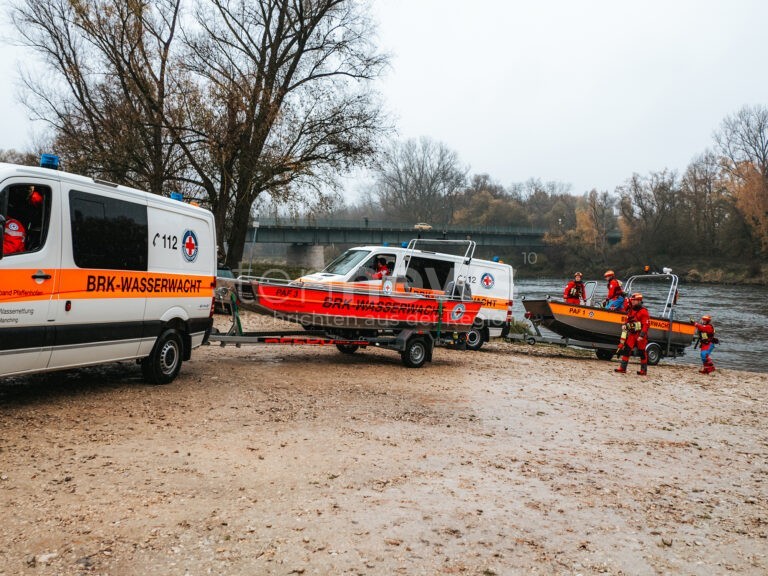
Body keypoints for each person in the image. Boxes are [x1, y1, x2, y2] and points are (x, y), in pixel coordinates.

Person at [615, 292, 651, 376]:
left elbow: (646, 325)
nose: (633, 302)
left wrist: (642, 336)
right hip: (632, 334)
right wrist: (624, 325)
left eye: (635, 300)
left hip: (640, 334)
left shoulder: (644, 312)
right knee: (627, 350)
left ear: (639, 301)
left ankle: (643, 370)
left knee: (642, 352)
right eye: (632, 300)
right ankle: (622, 368)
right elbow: (628, 320)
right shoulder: (631, 310)